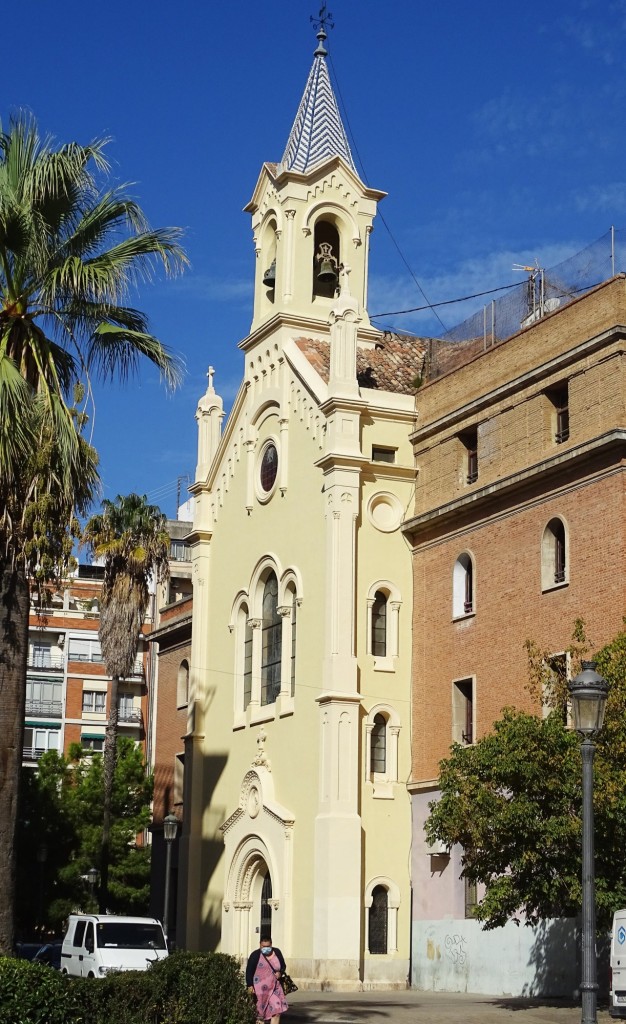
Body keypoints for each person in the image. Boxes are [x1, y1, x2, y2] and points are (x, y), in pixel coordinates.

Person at [246, 934, 289, 1024]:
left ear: (271, 944)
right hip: (260, 991)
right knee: (260, 1014)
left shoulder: (277, 952)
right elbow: (249, 971)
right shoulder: (255, 955)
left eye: (268, 946)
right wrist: (250, 985)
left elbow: (283, 965)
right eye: (263, 946)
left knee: (277, 1010)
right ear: (260, 945)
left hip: (275, 988)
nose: (265, 948)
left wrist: (280, 972)